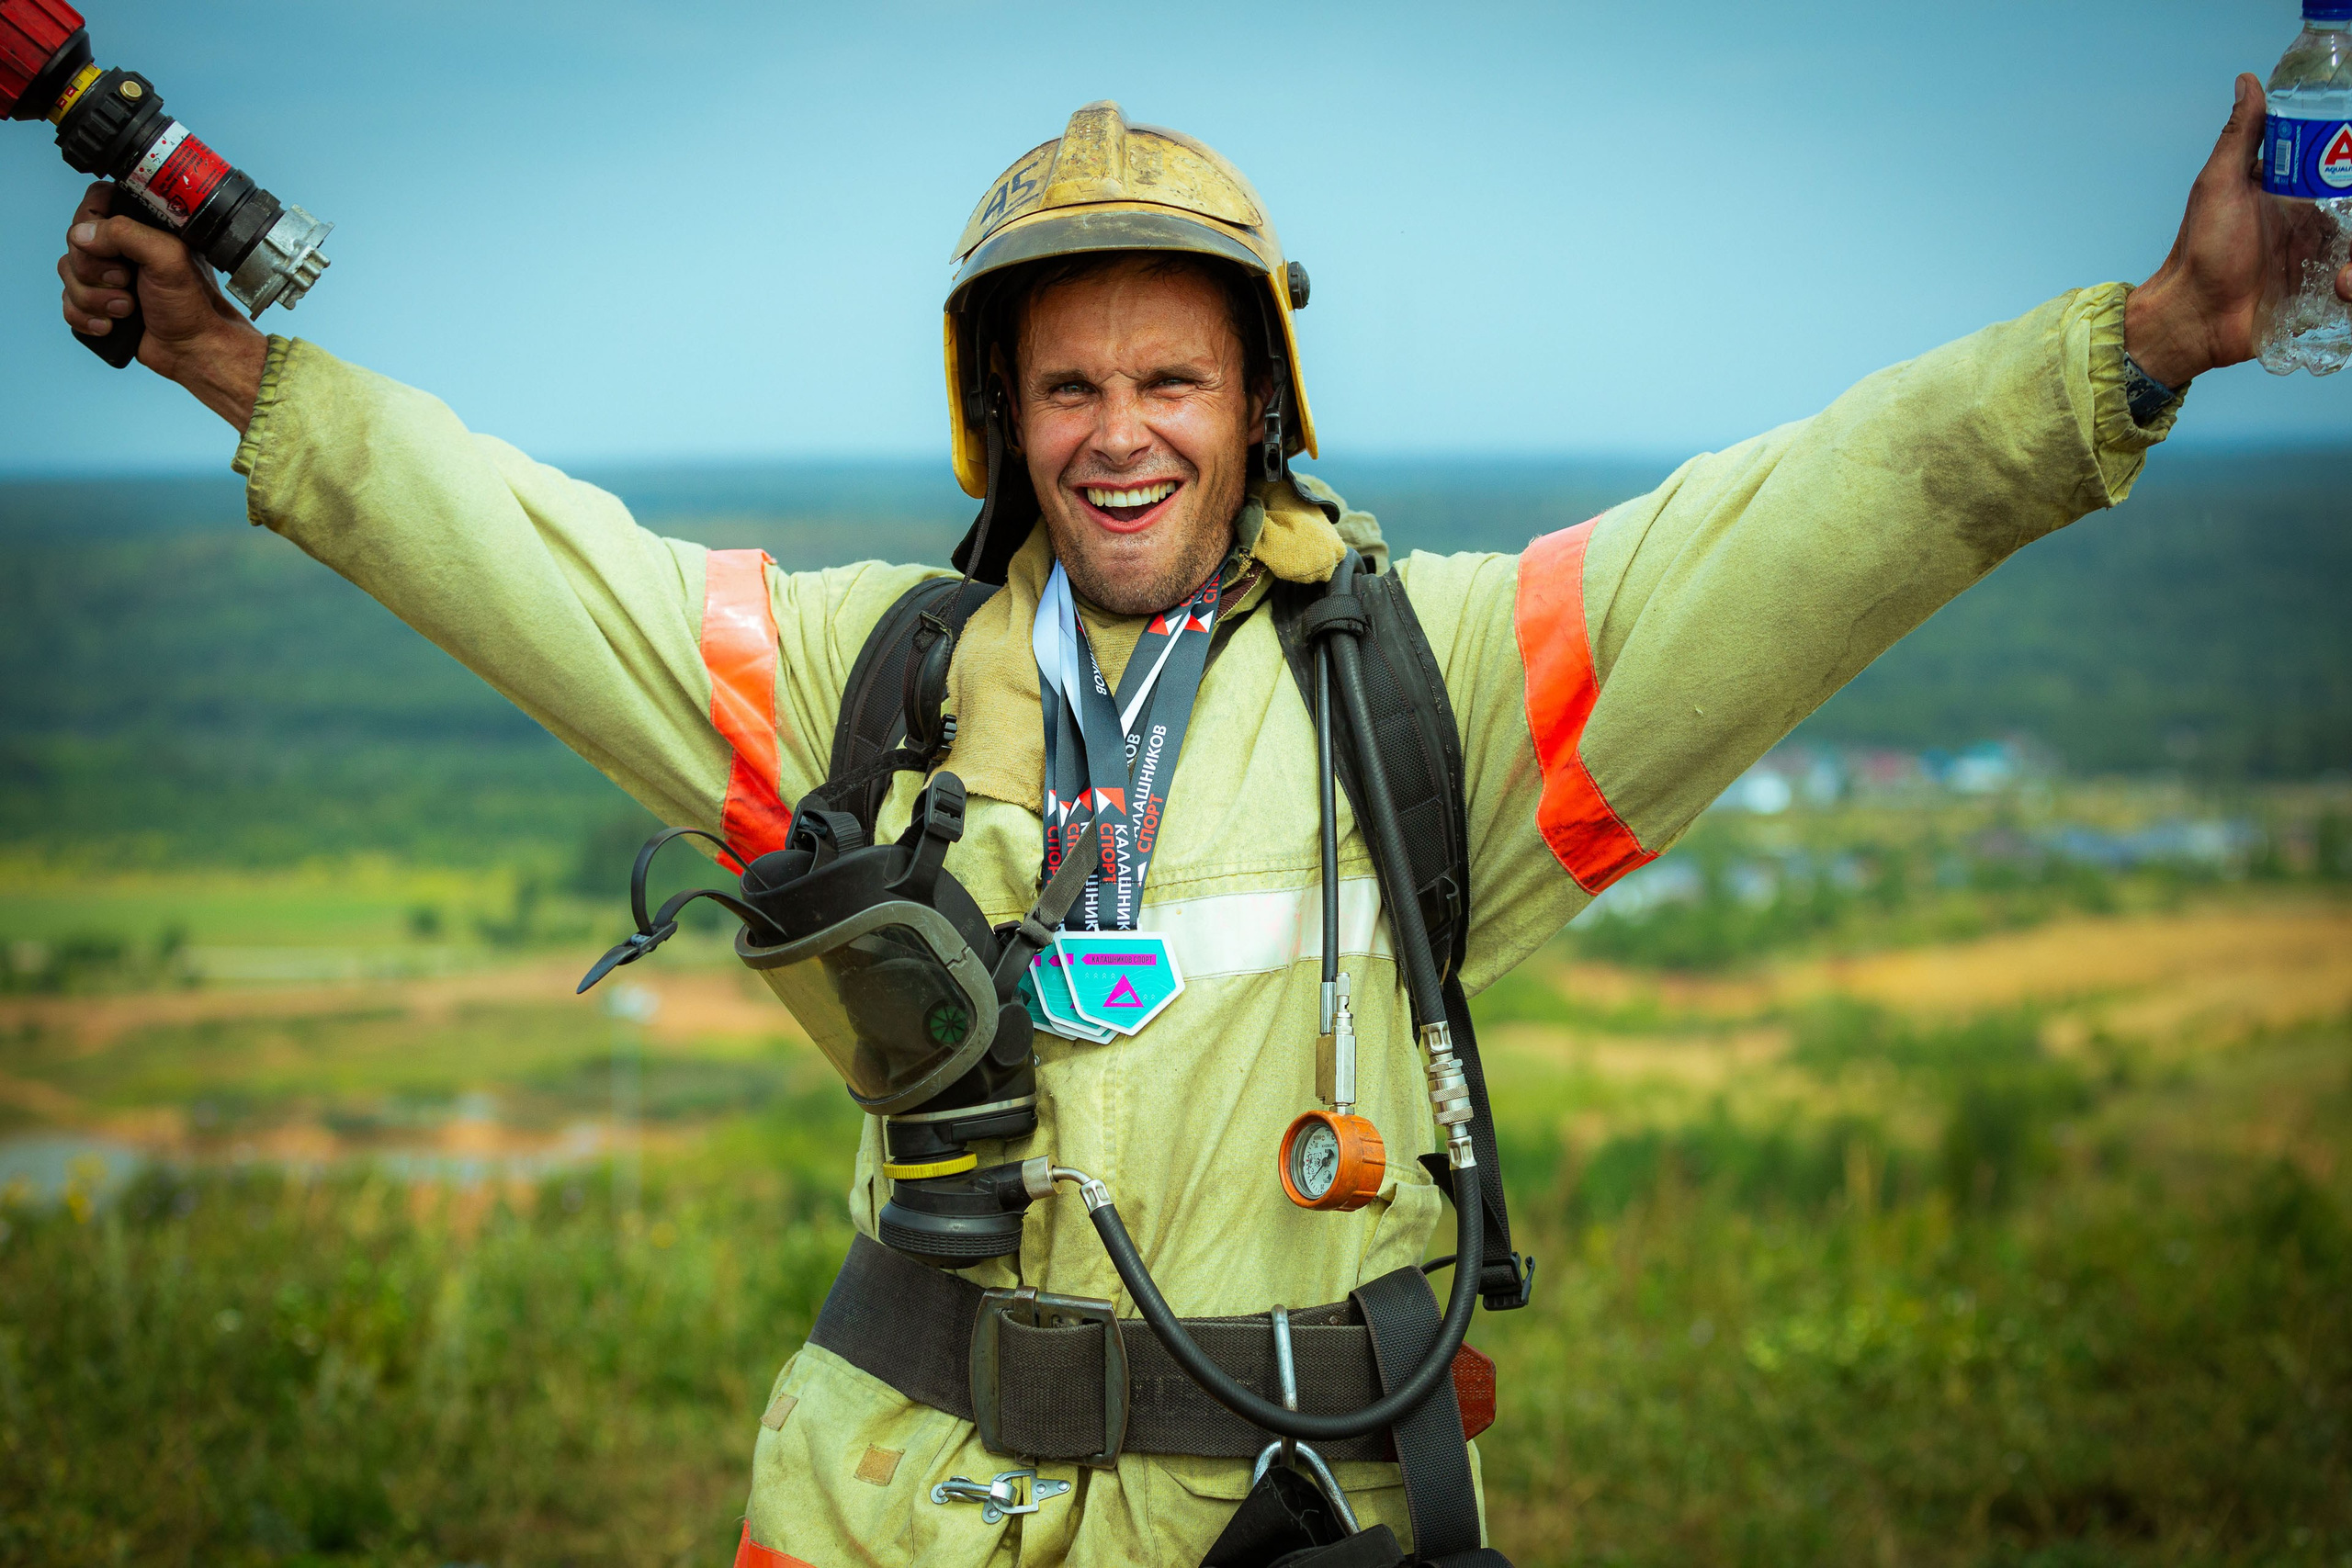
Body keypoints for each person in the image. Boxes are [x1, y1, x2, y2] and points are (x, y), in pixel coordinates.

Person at [48, 74, 2316, 1568]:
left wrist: (2139, 345)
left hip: (1294, 1516)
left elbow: (1804, 526)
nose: (1117, 435)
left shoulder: (1421, 687)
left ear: (1252, 403)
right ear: (1001, 412)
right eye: (1067, 383)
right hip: (887, 1515)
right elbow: (536, 567)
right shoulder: (876, 677)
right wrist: (232, 366)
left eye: (1169, 379)